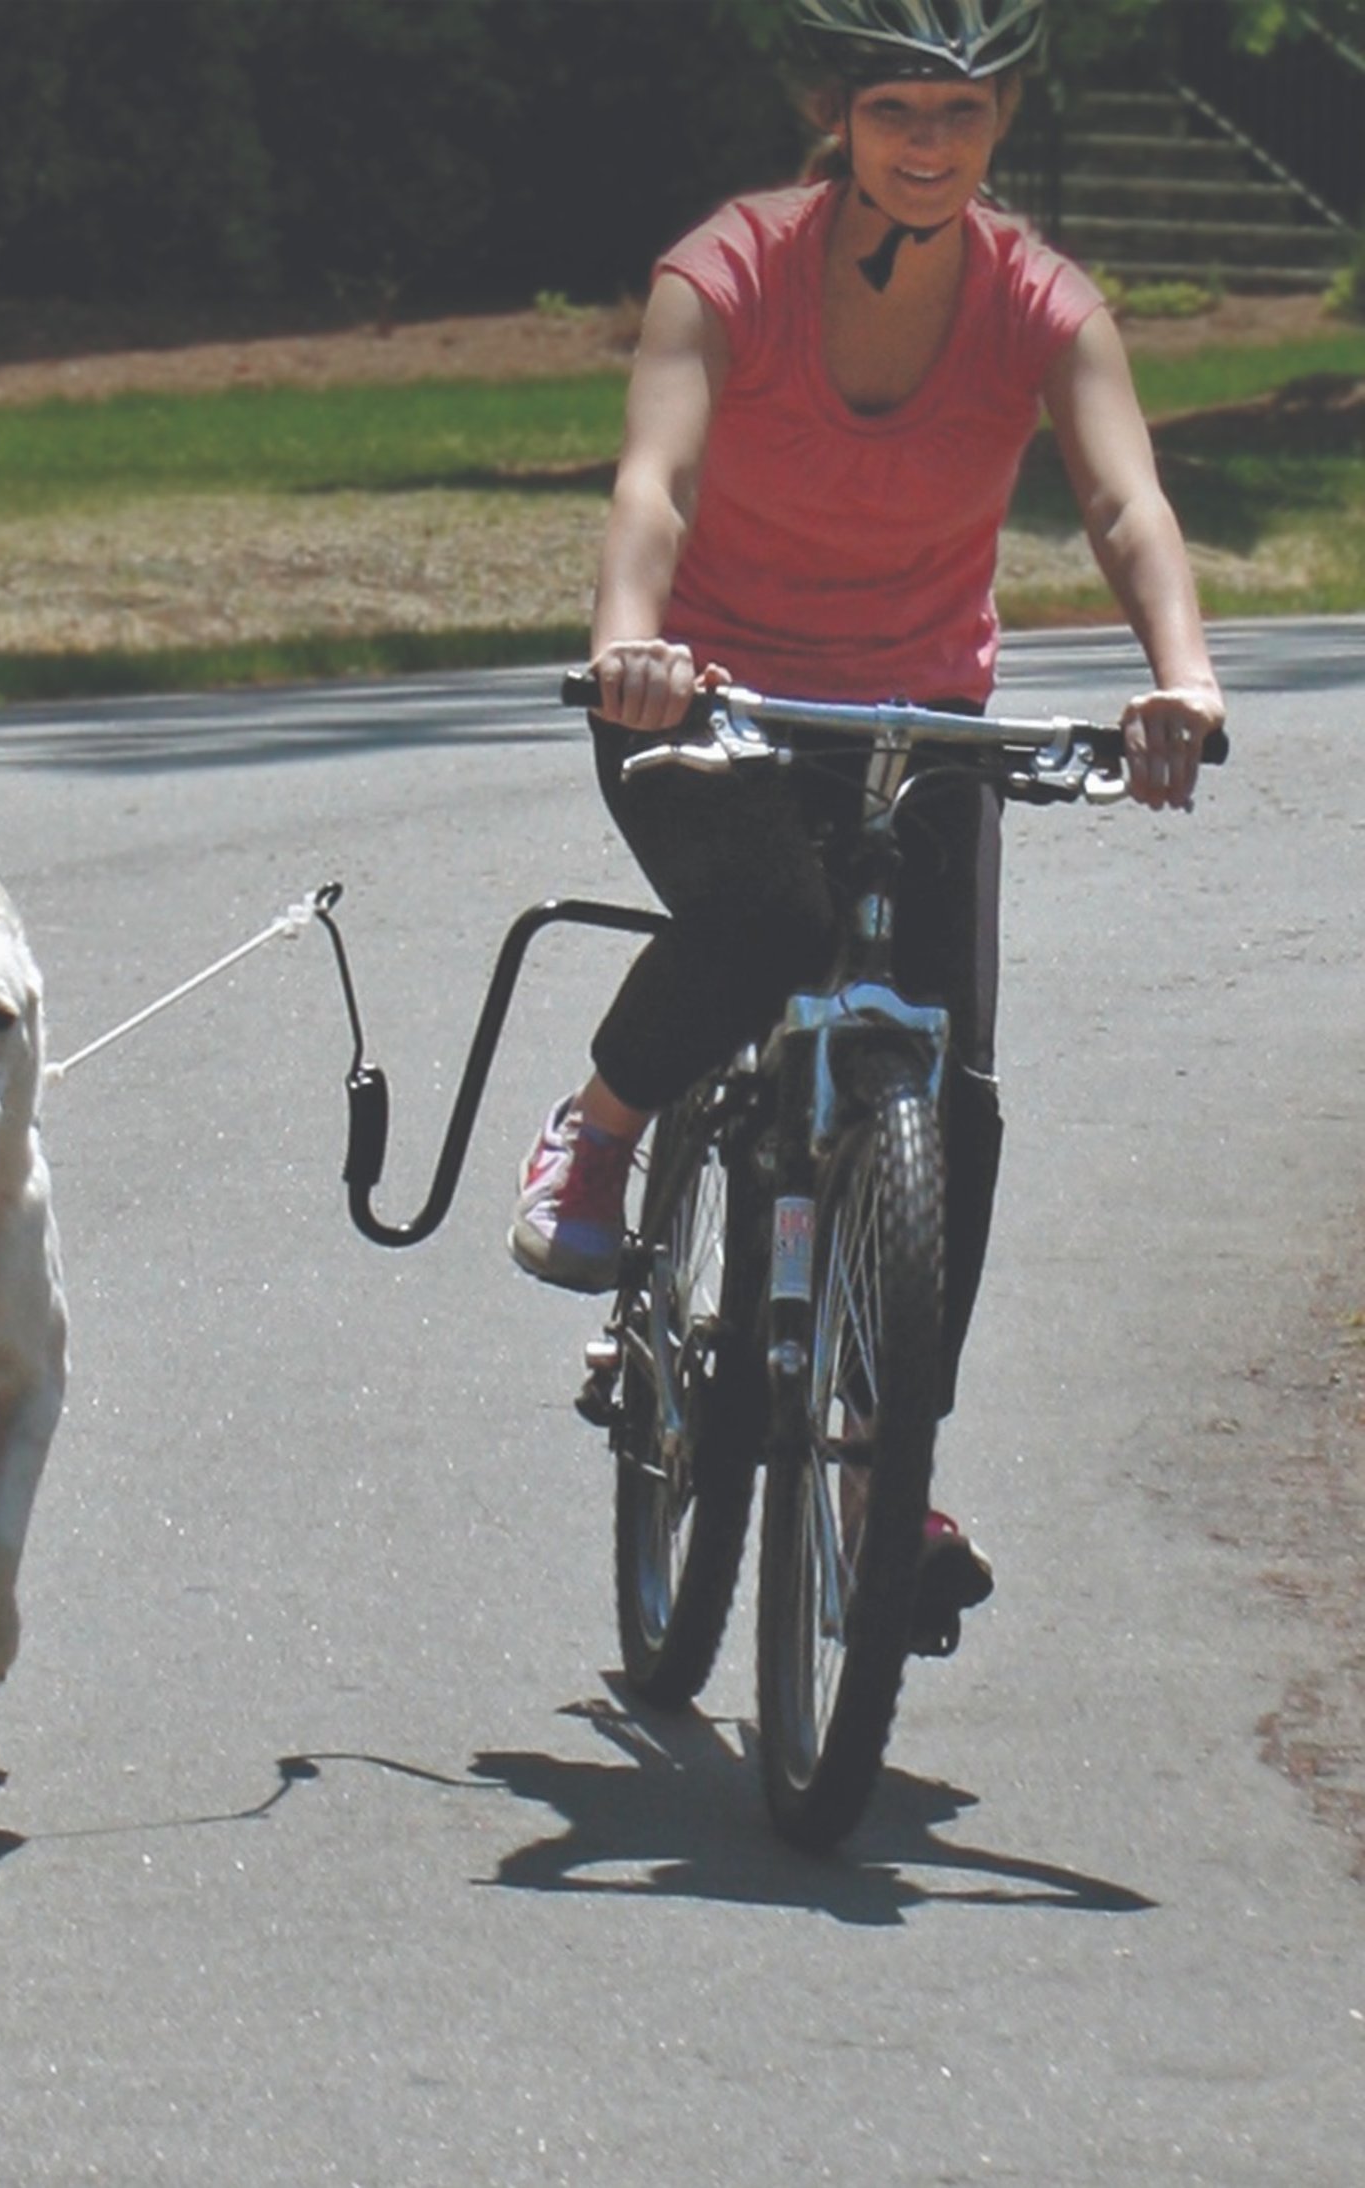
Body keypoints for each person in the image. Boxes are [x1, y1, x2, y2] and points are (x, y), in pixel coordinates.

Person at [508, 0, 1226, 1646]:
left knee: (949, 1099)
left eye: (966, 115)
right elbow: (655, 487)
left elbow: (1125, 502)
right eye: (901, 107)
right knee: (763, 930)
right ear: (838, 109)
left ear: (1007, 120)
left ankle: (885, 1474)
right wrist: (633, 643)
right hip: (708, 703)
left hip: (918, 726)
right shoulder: (730, 271)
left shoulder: (1042, 302)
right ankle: (609, 1122)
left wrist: (1179, 678)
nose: (931, 142)